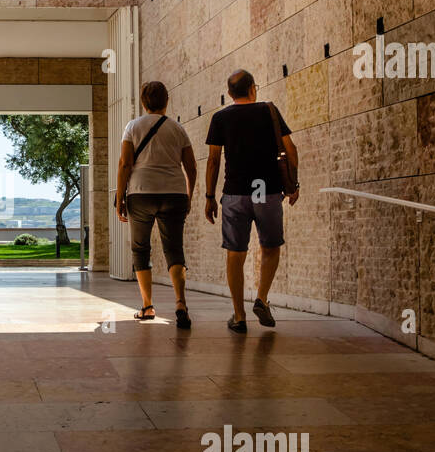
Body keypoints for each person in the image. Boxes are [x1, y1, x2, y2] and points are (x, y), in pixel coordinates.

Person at [203, 69, 299, 333]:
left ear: (230, 93)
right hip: (266, 191)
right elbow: (290, 148)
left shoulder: (220, 118)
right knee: (270, 247)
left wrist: (209, 196)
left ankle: (239, 316)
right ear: (253, 89)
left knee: (236, 253)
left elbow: (213, 160)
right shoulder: (269, 111)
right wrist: (294, 185)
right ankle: (261, 298)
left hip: (235, 193)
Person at [116, 80, 198, 327]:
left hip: (140, 193)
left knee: (141, 249)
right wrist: (189, 195)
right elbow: (191, 167)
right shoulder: (178, 129)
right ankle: (181, 303)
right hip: (174, 193)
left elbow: (125, 164)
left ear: (143, 102)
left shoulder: (133, 126)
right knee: (174, 249)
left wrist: (120, 197)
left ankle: (147, 306)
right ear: (167, 101)